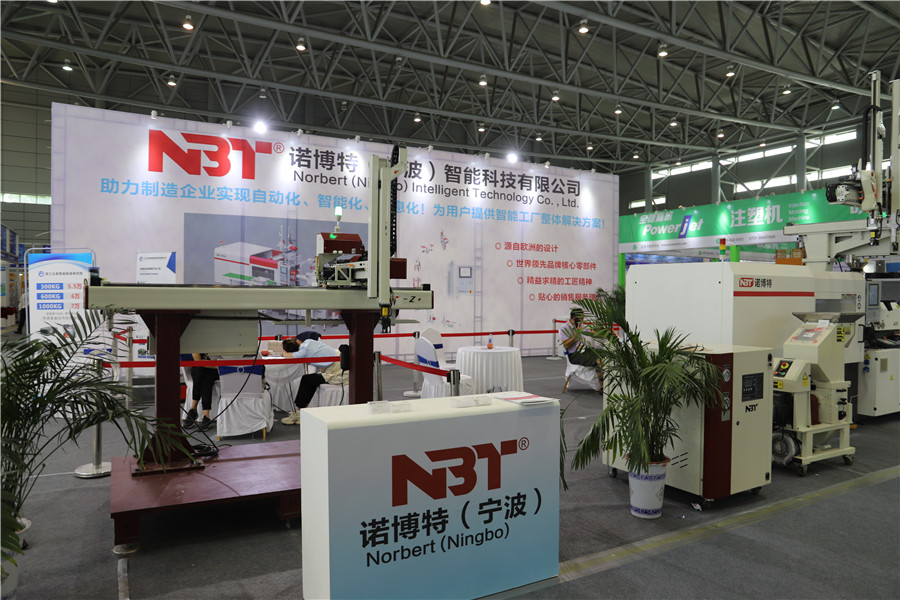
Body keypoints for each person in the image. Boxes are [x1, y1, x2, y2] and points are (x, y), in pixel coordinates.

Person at [280, 334, 348, 425]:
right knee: (309, 380)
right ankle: (300, 411)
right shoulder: (309, 342)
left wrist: (284, 353)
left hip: (339, 370)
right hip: (337, 363)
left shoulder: (302, 353)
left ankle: (299, 412)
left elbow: (291, 355)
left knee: (307, 380)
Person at [183, 353, 220, 431]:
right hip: (202, 370)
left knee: (201, 372)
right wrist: (206, 363)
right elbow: (198, 361)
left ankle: (193, 408)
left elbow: (218, 363)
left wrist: (206, 363)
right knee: (203, 375)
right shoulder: (198, 346)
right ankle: (206, 416)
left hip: (214, 370)